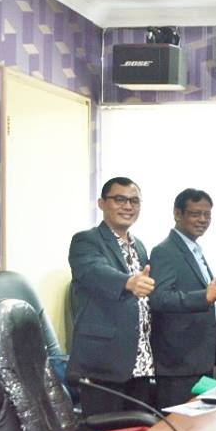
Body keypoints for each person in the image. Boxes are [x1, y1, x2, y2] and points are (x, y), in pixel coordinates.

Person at [68, 177, 156, 415]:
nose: (128, 206)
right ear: (101, 203)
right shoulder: (86, 240)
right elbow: (93, 271)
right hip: (103, 362)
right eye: (119, 199)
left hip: (139, 361)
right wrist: (128, 282)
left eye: (134, 201)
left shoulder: (139, 246)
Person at [148, 188, 216, 408]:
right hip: (178, 362)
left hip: (199, 357)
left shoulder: (194, 249)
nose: (202, 220)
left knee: (200, 422)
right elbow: (159, 298)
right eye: (195, 214)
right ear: (177, 214)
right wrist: (205, 296)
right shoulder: (165, 250)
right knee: (178, 423)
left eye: (207, 214)